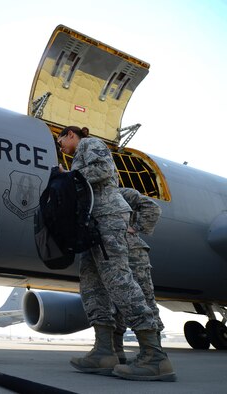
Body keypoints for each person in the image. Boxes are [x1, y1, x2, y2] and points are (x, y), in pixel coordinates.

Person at [57, 125, 175, 381]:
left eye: (61, 141)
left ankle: (153, 355)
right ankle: (104, 351)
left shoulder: (90, 144)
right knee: (91, 285)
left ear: (71, 135)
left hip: (107, 216)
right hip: (91, 223)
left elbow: (103, 170)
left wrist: (70, 177)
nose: (61, 147)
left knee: (117, 279)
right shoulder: (78, 156)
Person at [113, 187, 165, 364]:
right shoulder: (95, 197)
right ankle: (117, 352)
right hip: (114, 253)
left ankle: (154, 352)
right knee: (116, 300)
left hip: (134, 253)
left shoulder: (122, 193)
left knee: (145, 298)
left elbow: (153, 208)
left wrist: (135, 228)